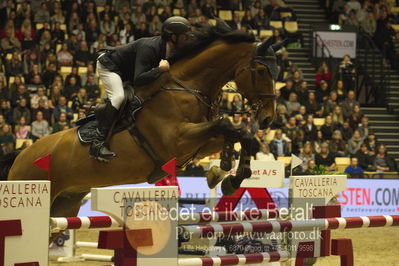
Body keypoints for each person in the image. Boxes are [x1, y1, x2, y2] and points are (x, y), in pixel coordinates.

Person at [91, 16, 191, 161]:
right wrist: (159, 70)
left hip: (128, 71)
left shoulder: (173, 48)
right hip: (110, 66)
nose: (186, 40)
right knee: (118, 97)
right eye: (183, 37)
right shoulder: (149, 47)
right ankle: (97, 144)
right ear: (173, 37)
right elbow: (139, 80)